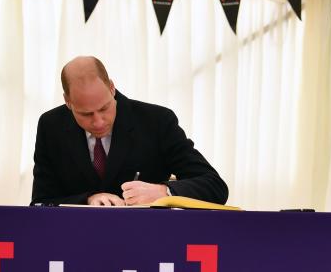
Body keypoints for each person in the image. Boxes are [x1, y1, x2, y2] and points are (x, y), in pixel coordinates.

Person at [31, 56, 228, 206]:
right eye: (86, 114)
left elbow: (215, 186)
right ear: (68, 102)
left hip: (150, 241)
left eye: (104, 108)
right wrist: (88, 199)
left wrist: (164, 192)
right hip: (74, 243)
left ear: (111, 88)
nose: (98, 122)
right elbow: (40, 202)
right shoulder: (51, 126)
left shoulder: (157, 121)